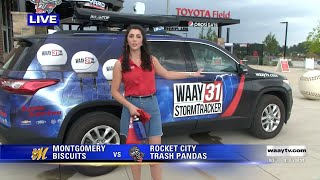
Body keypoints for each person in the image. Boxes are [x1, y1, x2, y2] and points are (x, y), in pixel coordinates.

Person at [111, 24, 204, 180]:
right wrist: (130, 106)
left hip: (152, 107)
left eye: (138, 36)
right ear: (127, 41)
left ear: (142, 41)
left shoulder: (151, 60)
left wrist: (192, 73)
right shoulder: (120, 64)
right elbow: (114, 91)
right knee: (136, 155)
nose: (135, 39)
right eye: (131, 36)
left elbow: (167, 74)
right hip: (132, 110)